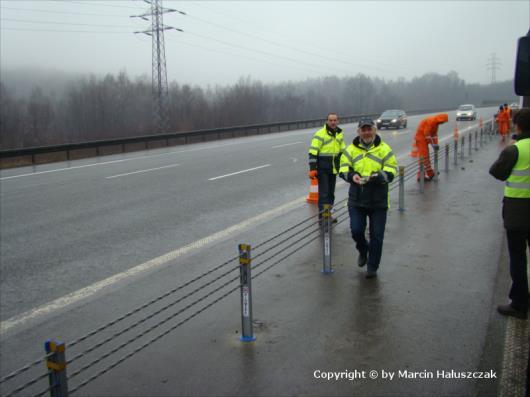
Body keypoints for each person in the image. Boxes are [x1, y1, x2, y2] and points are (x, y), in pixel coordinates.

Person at [339, 117, 398, 278]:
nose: (366, 132)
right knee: (356, 230)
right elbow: (342, 168)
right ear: (358, 131)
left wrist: (381, 176)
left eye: (369, 129)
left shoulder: (384, 148)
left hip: (378, 200)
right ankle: (363, 249)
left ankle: (372, 267)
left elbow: (392, 169)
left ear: (374, 130)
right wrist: (352, 176)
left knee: (377, 235)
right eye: (363, 129)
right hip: (357, 199)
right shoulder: (350, 149)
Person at [489, 107, 530, 320]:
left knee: (518, 258)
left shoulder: (515, 150)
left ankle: (520, 303)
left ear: (518, 125)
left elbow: (496, 172)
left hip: (517, 213)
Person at [308, 113, 346, 220]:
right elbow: (313, 152)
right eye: (331, 120)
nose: (333, 122)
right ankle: (323, 218)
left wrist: (347, 164)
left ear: (338, 121)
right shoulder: (320, 134)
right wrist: (312, 168)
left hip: (333, 169)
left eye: (335, 120)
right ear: (327, 121)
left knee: (330, 194)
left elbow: (343, 151)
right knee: (324, 194)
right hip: (322, 168)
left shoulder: (339, 134)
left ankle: (328, 214)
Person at [410, 114, 448, 181]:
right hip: (421, 138)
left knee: (426, 157)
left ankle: (430, 173)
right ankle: (420, 176)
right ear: (439, 120)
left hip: (424, 138)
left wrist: (436, 144)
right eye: (442, 122)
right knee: (423, 157)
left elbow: (434, 135)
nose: (442, 123)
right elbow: (426, 133)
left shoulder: (436, 124)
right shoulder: (431, 121)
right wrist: (433, 144)